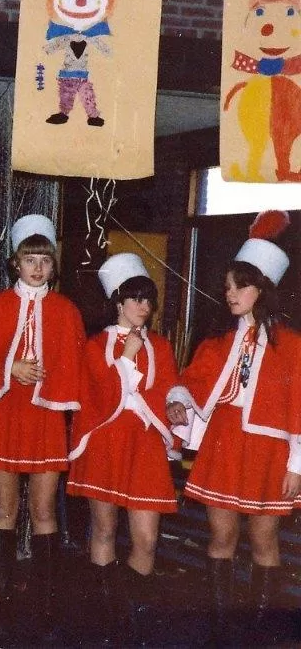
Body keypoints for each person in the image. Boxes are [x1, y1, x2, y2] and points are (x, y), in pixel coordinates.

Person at [167, 213, 301, 644]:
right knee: (221, 536)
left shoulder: (293, 346)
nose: (229, 294)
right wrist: (179, 403)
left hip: (268, 452)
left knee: (264, 540)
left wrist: (297, 465)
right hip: (223, 445)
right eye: (226, 286)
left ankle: (260, 631)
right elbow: (190, 383)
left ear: (261, 288)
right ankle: (223, 628)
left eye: (238, 285)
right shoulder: (217, 340)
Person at [0, 214, 85, 639]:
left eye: (44, 260)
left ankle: (45, 597)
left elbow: (74, 366)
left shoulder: (66, 311)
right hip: (4, 414)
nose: (37, 268)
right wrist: (9, 368)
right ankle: (4, 594)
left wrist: (48, 376)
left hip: (46, 417)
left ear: (53, 264)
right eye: (29, 259)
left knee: (45, 510)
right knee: (4, 509)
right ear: (15, 262)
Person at [65, 253, 185, 641]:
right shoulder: (97, 343)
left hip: (145, 446)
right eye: (135, 299)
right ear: (118, 302)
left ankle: (136, 628)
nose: (143, 308)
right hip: (105, 442)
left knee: (146, 539)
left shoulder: (162, 347)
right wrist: (126, 356)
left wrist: (174, 406)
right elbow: (98, 393)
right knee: (103, 530)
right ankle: (104, 625)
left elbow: (165, 389)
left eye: (148, 300)